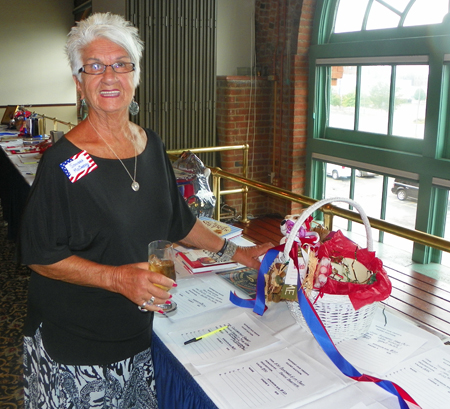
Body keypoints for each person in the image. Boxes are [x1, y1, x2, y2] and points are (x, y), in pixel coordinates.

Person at [19, 13, 272, 409]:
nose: (109, 76)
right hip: (77, 346)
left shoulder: (150, 144)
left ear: (135, 76)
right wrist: (119, 278)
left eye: (121, 64)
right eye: (95, 67)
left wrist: (237, 254)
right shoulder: (64, 163)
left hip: (139, 334)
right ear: (78, 83)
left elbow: (178, 221)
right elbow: (40, 255)